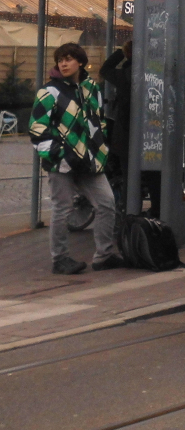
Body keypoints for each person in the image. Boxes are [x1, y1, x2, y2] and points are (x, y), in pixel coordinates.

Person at [28, 43, 123, 274]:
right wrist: (59, 153)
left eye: (69, 59)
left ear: (80, 62)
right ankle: (60, 259)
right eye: (60, 60)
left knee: (107, 203)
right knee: (63, 209)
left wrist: (101, 150)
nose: (63, 63)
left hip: (90, 161)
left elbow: (99, 121)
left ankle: (104, 255)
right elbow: (36, 129)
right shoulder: (49, 92)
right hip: (62, 162)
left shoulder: (91, 88)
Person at [98, 41, 131, 198]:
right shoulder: (152, 73)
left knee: (128, 178)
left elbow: (104, 69)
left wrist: (120, 53)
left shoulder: (125, 75)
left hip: (125, 134)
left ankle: (129, 212)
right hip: (150, 137)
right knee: (153, 179)